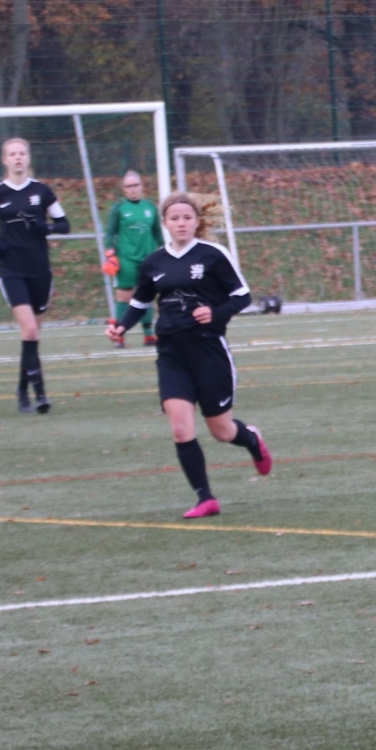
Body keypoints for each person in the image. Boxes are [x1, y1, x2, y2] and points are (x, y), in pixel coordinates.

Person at [106, 193, 272, 518]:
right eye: (174, 218)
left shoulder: (213, 255)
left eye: (187, 217)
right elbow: (140, 302)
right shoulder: (153, 263)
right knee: (181, 429)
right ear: (164, 223)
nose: (181, 223)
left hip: (208, 351)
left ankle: (252, 440)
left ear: (196, 221)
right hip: (171, 354)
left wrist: (215, 313)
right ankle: (205, 498)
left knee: (222, 431)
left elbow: (242, 295)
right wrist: (121, 327)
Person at [0, 137, 70, 413]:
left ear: (28, 158)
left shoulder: (42, 191)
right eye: (12, 154)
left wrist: (48, 229)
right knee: (29, 329)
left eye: (21, 153)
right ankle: (40, 395)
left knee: (32, 335)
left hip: (39, 270)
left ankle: (22, 390)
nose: (17, 158)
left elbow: (64, 224)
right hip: (12, 270)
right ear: (4, 160)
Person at [103, 170, 161, 348]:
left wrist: (166, 251)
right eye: (129, 186)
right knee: (124, 297)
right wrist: (109, 253)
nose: (133, 189)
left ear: (141, 186)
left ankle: (148, 335)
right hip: (126, 260)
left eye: (136, 185)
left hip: (148, 259)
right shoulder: (119, 208)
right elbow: (110, 233)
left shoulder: (150, 207)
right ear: (124, 189)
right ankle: (119, 335)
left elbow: (158, 234)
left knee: (147, 296)